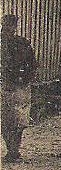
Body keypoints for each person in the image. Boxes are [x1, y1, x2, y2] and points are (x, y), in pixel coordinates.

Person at [2, 13, 37, 162]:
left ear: (15, 28)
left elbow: (32, 64)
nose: (8, 30)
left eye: (11, 27)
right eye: (5, 27)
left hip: (19, 87)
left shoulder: (23, 44)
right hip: (4, 86)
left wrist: (25, 79)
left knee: (18, 120)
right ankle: (11, 149)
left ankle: (14, 149)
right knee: (6, 121)